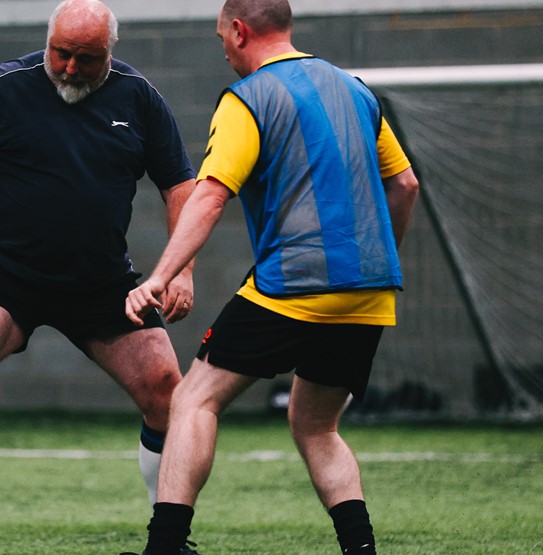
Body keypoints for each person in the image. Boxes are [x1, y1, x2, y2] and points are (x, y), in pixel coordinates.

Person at [121, 1, 420, 553]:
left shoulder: (248, 99)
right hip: (369, 294)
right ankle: (361, 548)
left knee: (193, 401)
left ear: (239, 31)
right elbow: (404, 186)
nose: (224, 51)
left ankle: (165, 546)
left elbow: (210, 195)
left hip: (292, 287)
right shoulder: (356, 91)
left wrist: (158, 278)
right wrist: (369, 265)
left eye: (221, 40)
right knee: (316, 426)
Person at [0, 0, 197, 510]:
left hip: (101, 280)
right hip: (4, 271)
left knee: (166, 389)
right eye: (61, 53)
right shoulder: (1, 87)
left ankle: (166, 530)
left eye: (86, 58)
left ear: (111, 50)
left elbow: (181, 188)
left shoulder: (139, 98)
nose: (69, 69)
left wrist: (182, 271)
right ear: (48, 40)